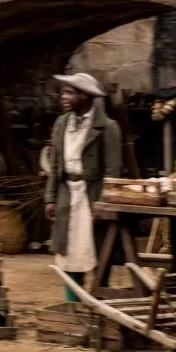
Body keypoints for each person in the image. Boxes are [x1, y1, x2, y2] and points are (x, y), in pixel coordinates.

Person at [44, 72, 121, 302]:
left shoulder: (107, 127)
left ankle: (99, 303)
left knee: (96, 250)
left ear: (85, 96)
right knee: (68, 252)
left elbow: (112, 172)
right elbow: (55, 164)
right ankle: (72, 306)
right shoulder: (61, 123)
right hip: (68, 193)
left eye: (70, 92)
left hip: (92, 193)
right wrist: (50, 198)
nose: (64, 97)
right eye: (64, 92)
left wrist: (103, 203)